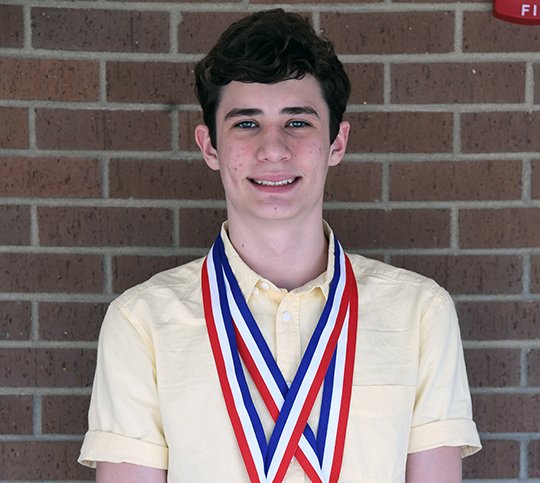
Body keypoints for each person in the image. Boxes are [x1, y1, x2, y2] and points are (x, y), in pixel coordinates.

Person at [78, 9, 481, 482]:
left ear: (337, 142)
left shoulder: (420, 313)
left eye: (298, 122)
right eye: (246, 124)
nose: (273, 149)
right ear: (210, 147)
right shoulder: (140, 322)